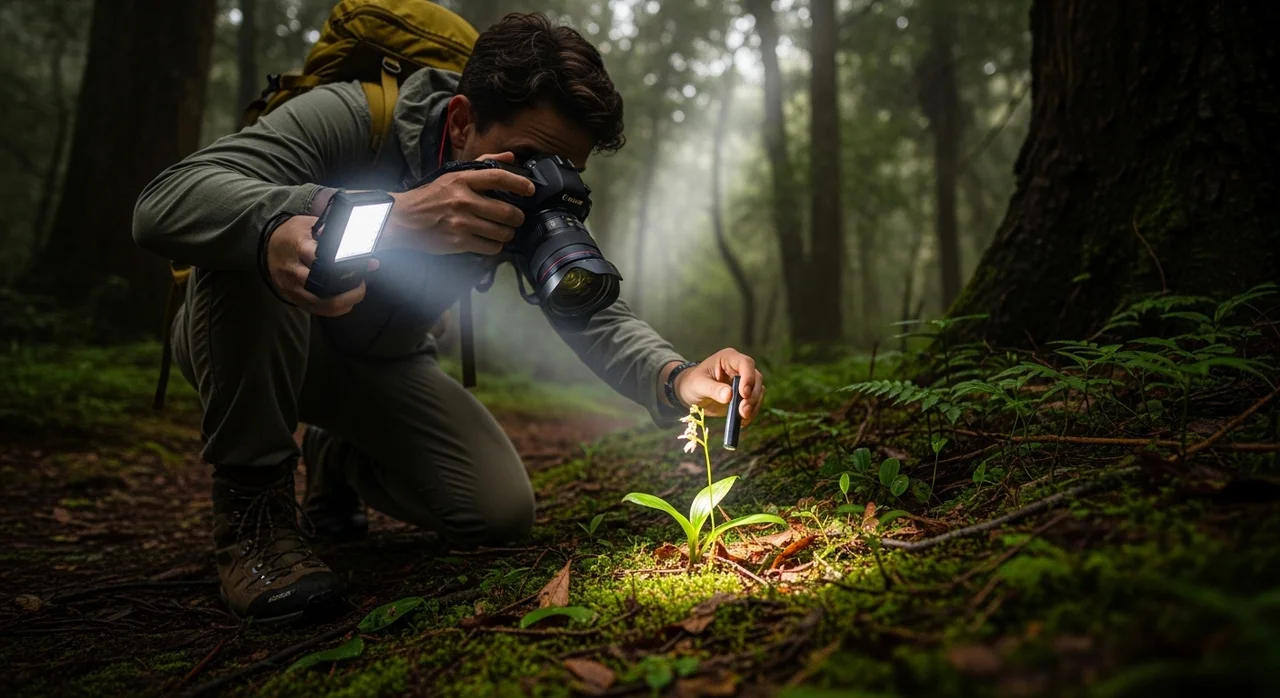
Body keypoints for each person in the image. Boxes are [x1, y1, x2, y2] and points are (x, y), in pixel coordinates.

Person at [131, 12, 766, 625]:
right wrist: (381, 214)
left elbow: (587, 307)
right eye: (527, 157)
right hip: (250, 340)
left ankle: (335, 457)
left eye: (565, 168)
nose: (541, 180)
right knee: (254, 246)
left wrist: (676, 377)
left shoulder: (530, 191)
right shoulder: (353, 119)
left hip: (379, 362)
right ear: (461, 122)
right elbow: (163, 203)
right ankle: (255, 519)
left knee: (497, 512)